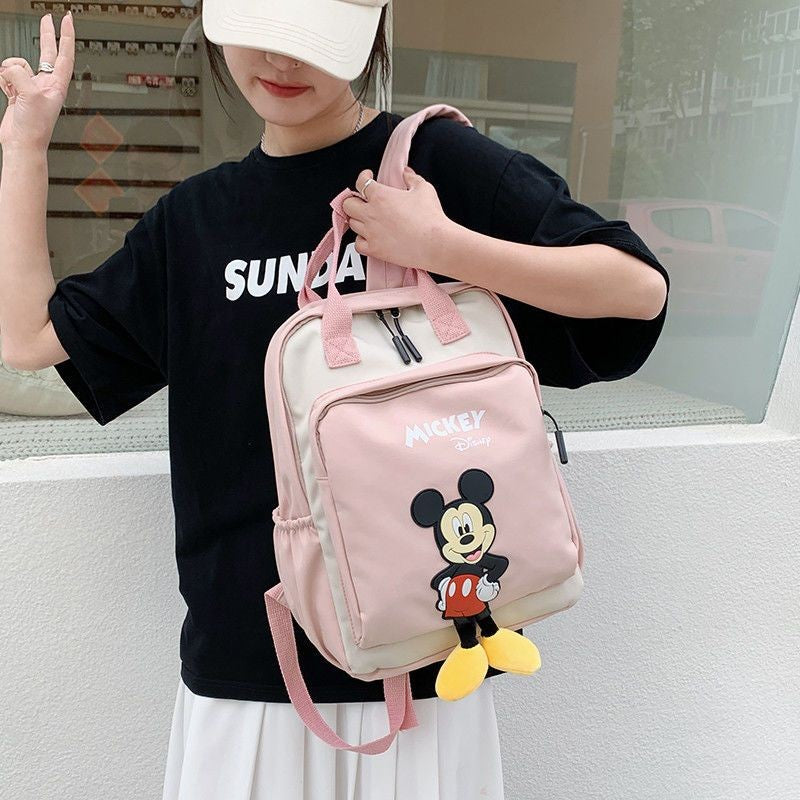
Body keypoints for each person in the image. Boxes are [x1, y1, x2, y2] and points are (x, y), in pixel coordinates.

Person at [0, 4, 669, 799]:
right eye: (266, 33)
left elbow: (637, 290)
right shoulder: (197, 221)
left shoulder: (431, 167)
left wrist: (442, 247)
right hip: (249, 671)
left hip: (426, 664)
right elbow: (29, 336)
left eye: (313, 39)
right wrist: (26, 144)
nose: (284, 63)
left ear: (371, 32)